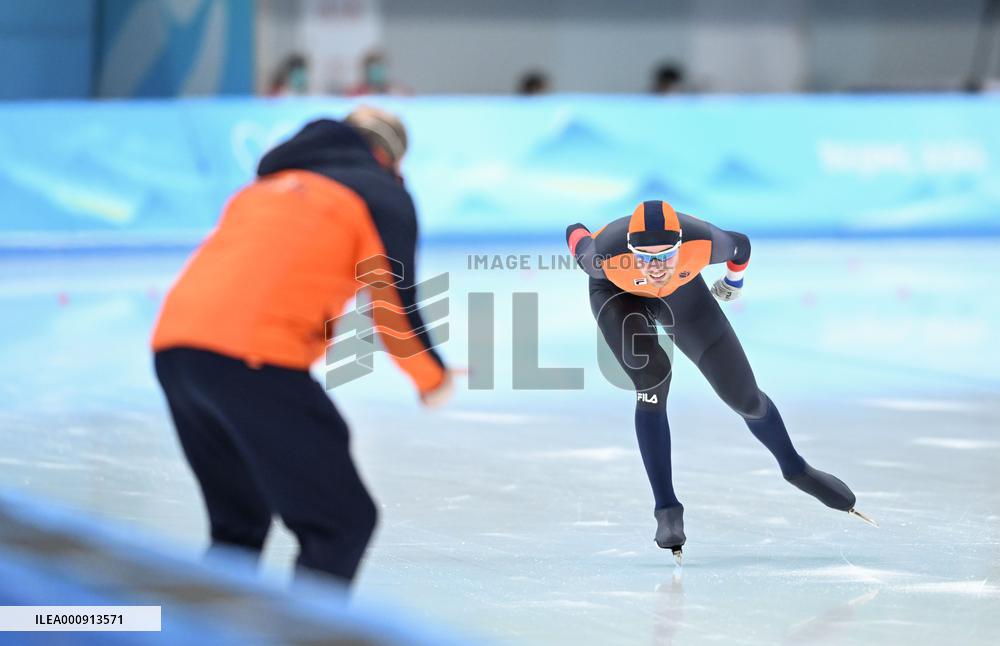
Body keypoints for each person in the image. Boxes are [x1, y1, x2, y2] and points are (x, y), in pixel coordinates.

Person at [151, 106, 453, 585]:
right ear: (393, 162)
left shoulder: (266, 188)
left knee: (239, 528)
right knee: (342, 523)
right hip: (251, 358)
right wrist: (432, 379)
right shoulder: (379, 193)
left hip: (175, 349)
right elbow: (392, 306)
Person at [566, 201, 874, 563]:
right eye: (645, 259)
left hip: (685, 296)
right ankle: (666, 509)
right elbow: (575, 233)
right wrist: (584, 234)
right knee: (652, 379)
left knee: (744, 398)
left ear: (681, 246)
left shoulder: (706, 242)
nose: (655, 270)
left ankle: (796, 468)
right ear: (629, 251)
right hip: (617, 297)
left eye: (665, 257)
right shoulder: (602, 256)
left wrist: (733, 282)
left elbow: (741, 245)